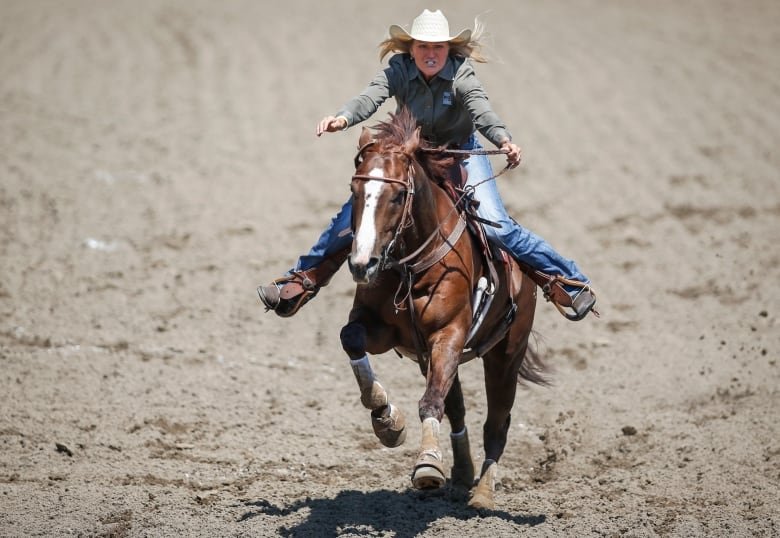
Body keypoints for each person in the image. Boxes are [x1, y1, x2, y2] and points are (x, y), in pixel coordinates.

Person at [258, 9, 596, 320]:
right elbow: (370, 97)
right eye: (423, 46)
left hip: (460, 153)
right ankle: (302, 279)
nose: (430, 54)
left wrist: (503, 139)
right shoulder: (398, 70)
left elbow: (480, 109)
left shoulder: (461, 73)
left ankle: (567, 281)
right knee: (355, 216)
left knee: (497, 226)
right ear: (412, 48)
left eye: (438, 47)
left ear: (449, 49)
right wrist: (343, 119)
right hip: (412, 154)